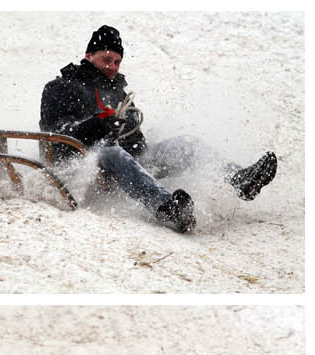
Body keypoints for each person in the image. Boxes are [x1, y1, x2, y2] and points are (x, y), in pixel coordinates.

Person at [40, 25, 277, 233]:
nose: (112, 67)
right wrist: (99, 126)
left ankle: (240, 180)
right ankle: (167, 209)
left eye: (117, 61)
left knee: (186, 144)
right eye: (106, 59)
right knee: (111, 151)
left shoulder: (118, 94)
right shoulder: (62, 87)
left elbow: (138, 145)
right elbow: (58, 134)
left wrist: (127, 130)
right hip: (80, 162)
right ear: (89, 56)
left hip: (123, 166)